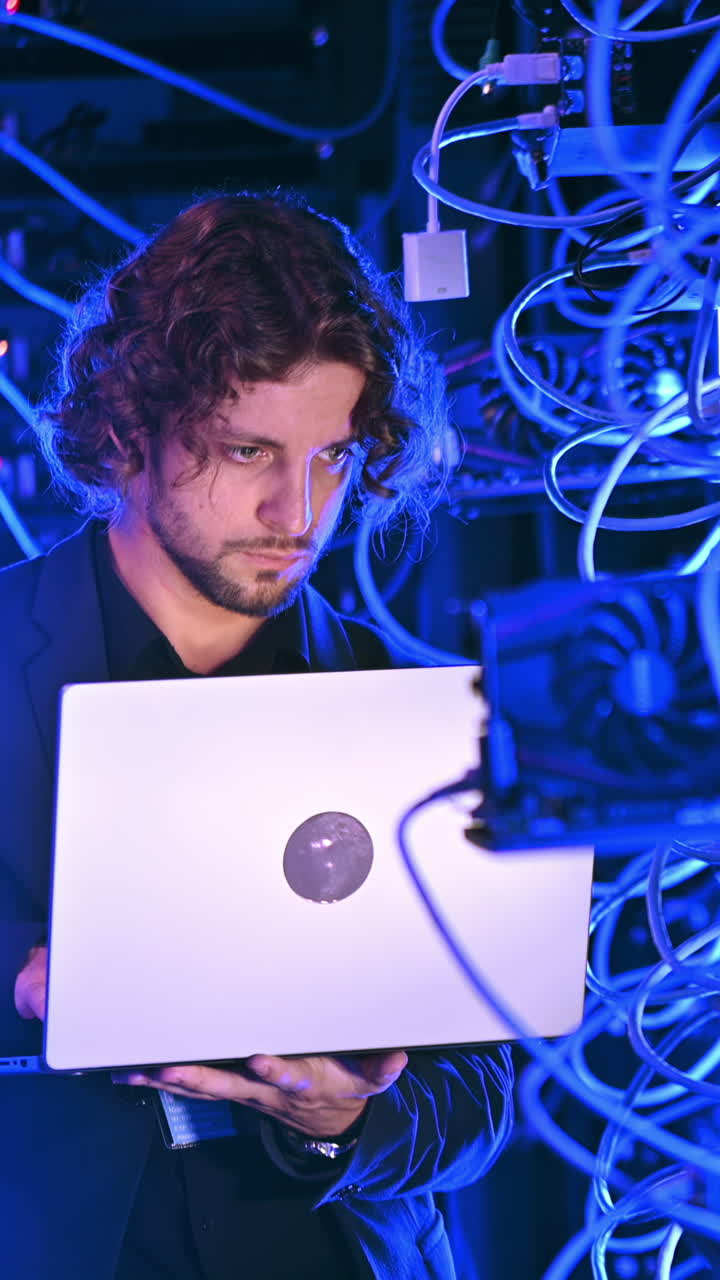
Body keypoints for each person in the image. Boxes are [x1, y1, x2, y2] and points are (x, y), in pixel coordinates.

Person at [0, 191, 514, 1280]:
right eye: (247, 451)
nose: (299, 512)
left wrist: (348, 1120)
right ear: (129, 428)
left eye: (331, 456)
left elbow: (480, 1094)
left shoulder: (413, 705)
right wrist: (26, 983)